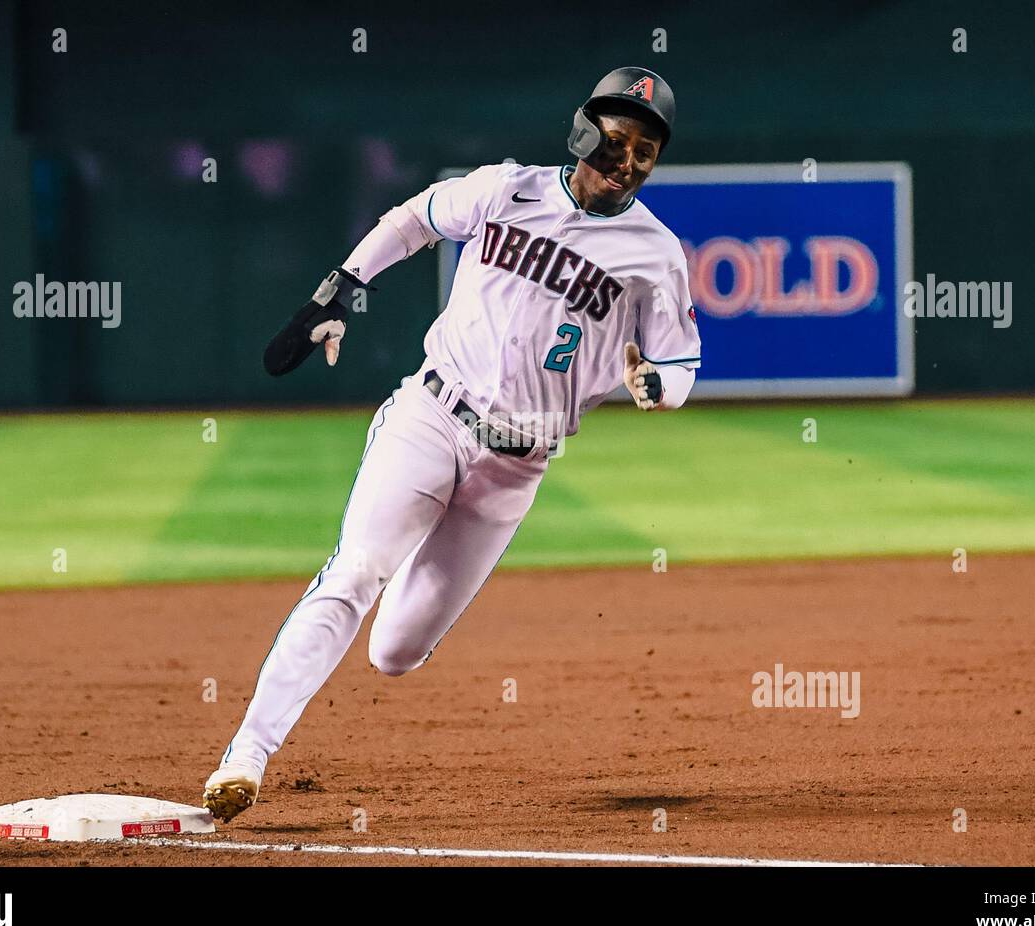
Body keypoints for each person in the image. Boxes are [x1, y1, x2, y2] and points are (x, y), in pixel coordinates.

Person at [204, 66, 701, 823]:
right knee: (356, 570)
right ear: (583, 131)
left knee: (395, 652)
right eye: (617, 141)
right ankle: (246, 755)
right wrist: (338, 288)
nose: (627, 161)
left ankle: (403, 575)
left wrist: (655, 387)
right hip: (433, 416)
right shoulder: (508, 190)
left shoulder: (655, 254)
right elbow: (415, 219)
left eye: (645, 151)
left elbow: (679, 363)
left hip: (517, 467)